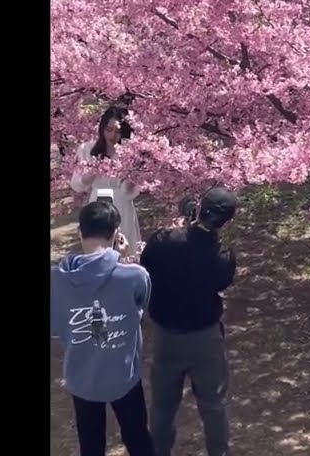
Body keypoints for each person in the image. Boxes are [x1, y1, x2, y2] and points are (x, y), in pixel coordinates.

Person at [139, 188, 239, 456]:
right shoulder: (222, 256)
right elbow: (221, 280)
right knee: (213, 405)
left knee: (162, 405)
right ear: (227, 220)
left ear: (200, 207)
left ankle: (158, 450)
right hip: (205, 337)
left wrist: (184, 225)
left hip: (167, 336)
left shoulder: (163, 241)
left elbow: (146, 265)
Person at [52, 201, 154, 456]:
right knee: (138, 438)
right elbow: (141, 306)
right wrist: (125, 260)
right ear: (116, 233)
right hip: (123, 375)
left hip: (81, 377)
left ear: (80, 232)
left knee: (91, 444)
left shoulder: (57, 279)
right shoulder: (135, 276)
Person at [71, 106, 143, 256]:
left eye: (118, 131)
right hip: (97, 202)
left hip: (122, 203)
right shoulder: (87, 149)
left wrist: (132, 175)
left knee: (125, 248)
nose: (112, 135)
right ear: (102, 128)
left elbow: (129, 192)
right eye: (108, 129)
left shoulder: (130, 151)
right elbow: (76, 184)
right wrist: (92, 172)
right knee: (98, 247)